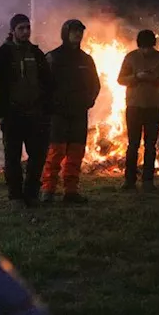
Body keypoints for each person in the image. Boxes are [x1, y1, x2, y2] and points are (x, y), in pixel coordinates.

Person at [0, 13, 54, 207]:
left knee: (38, 156)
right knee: (13, 157)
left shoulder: (36, 54)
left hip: (36, 115)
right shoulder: (1, 55)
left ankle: (31, 193)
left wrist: (46, 109)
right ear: (13, 31)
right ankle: (15, 196)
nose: (25, 32)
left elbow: (48, 83)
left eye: (27, 28)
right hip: (12, 115)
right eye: (21, 28)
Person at [41, 19, 101, 204]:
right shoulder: (53, 57)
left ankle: (71, 192)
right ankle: (48, 190)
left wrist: (89, 101)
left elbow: (95, 84)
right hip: (58, 113)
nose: (78, 34)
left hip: (78, 112)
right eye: (74, 31)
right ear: (65, 33)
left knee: (76, 153)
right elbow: (43, 84)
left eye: (80, 31)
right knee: (55, 153)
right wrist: (51, 105)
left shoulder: (86, 59)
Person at [117, 29, 159, 191]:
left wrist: (156, 78)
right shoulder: (131, 57)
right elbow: (121, 79)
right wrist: (137, 77)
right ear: (139, 46)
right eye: (143, 48)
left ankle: (148, 181)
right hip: (134, 107)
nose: (146, 51)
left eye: (149, 48)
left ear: (153, 46)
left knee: (150, 145)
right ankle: (129, 181)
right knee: (133, 145)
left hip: (153, 107)